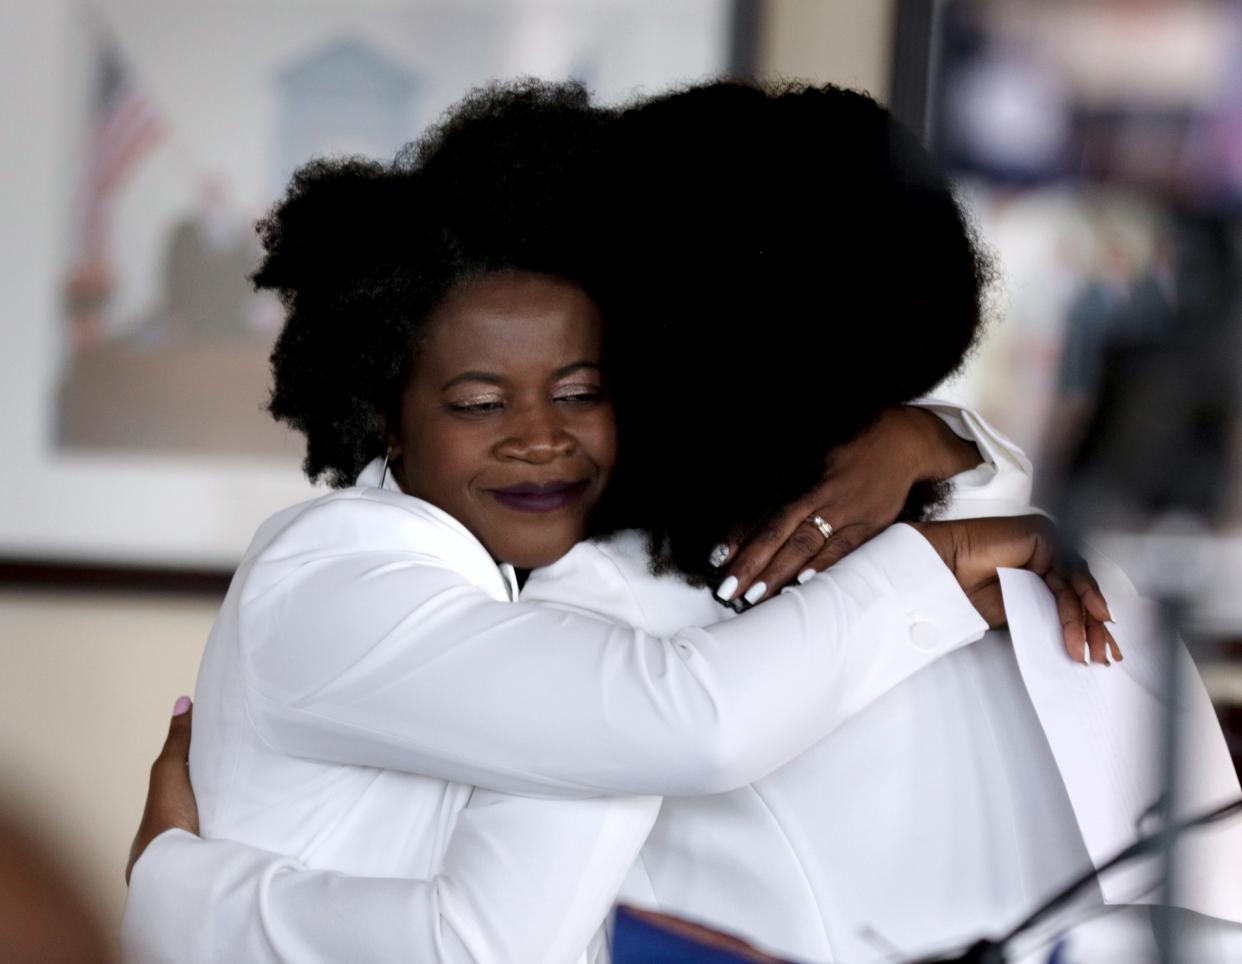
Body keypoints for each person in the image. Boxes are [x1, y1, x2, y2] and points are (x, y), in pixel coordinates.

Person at [123, 80, 1109, 963]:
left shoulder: (660, 579)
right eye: (477, 400)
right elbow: (685, 723)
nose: (539, 438)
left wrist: (178, 889)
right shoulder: (361, 573)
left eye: (583, 386)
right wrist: (175, 891)